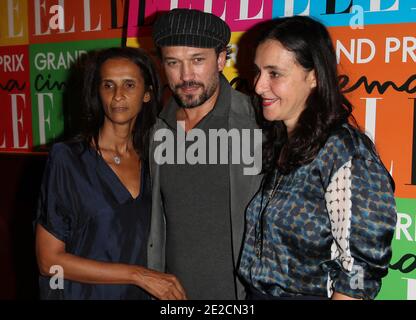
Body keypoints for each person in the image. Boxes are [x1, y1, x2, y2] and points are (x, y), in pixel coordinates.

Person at [238, 16, 397, 300]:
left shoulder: (345, 151)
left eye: (274, 73)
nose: (259, 85)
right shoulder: (284, 142)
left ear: (313, 76)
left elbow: (361, 271)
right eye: (258, 72)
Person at [35, 47, 186, 300]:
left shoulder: (155, 161)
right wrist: (137, 275)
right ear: (98, 92)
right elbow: (48, 261)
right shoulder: (68, 159)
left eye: (129, 85)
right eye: (108, 85)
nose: (117, 96)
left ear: (147, 94)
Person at [148, 9, 262, 299]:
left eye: (198, 60)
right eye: (174, 63)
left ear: (222, 59)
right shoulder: (155, 129)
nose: (186, 76)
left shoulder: (259, 124)